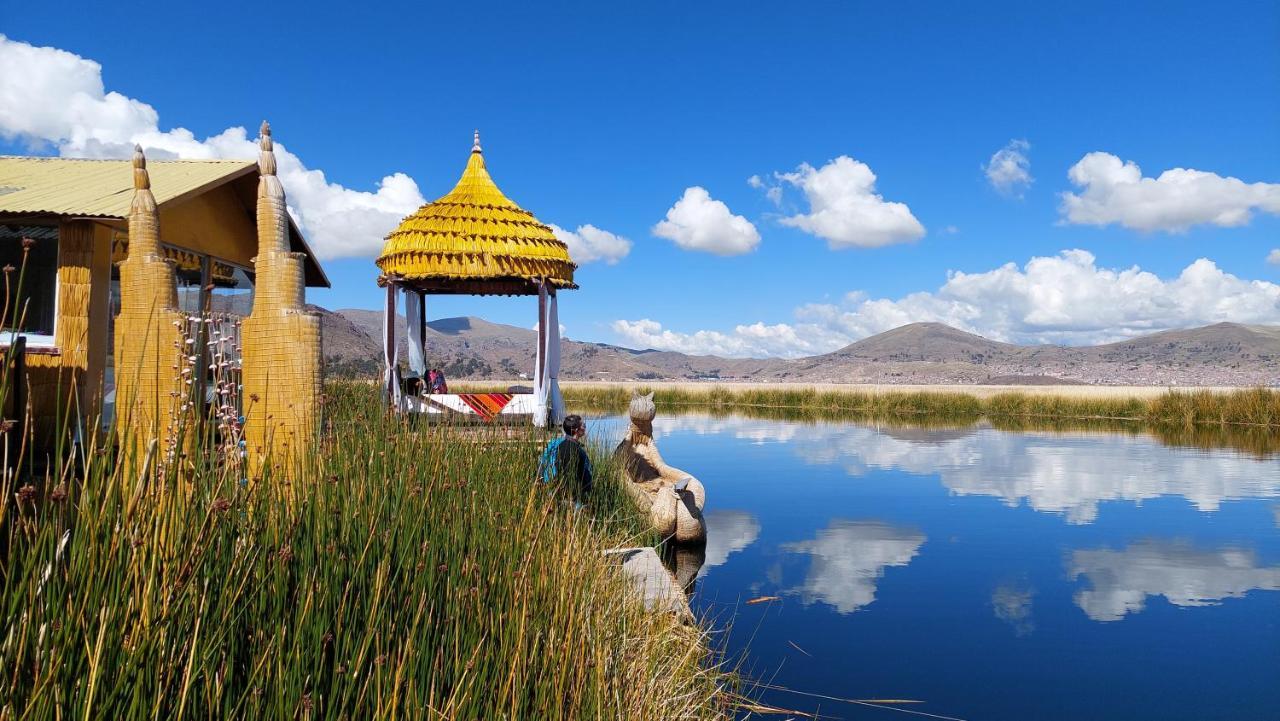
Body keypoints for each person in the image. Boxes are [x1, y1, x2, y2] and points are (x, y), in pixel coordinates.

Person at [538, 415, 593, 506]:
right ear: (576, 430)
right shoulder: (573, 448)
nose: (585, 427)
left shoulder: (556, 443)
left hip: (552, 489)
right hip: (569, 496)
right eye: (583, 425)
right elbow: (570, 473)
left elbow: (542, 462)